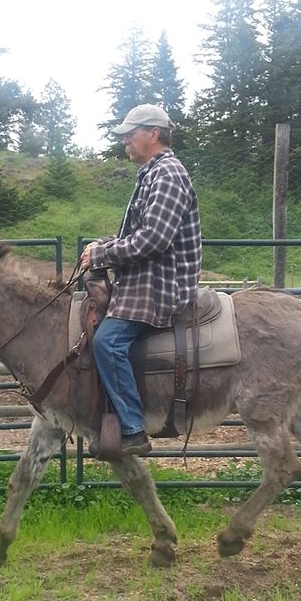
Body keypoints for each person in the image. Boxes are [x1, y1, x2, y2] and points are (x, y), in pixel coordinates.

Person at [80, 103, 202, 455]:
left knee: (107, 342)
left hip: (161, 285)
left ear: (152, 134)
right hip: (146, 279)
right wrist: (101, 245)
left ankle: (133, 428)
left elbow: (154, 239)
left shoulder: (168, 174)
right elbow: (137, 232)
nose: (125, 143)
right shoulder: (152, 173)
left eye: (130, 135)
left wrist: (101, 255)